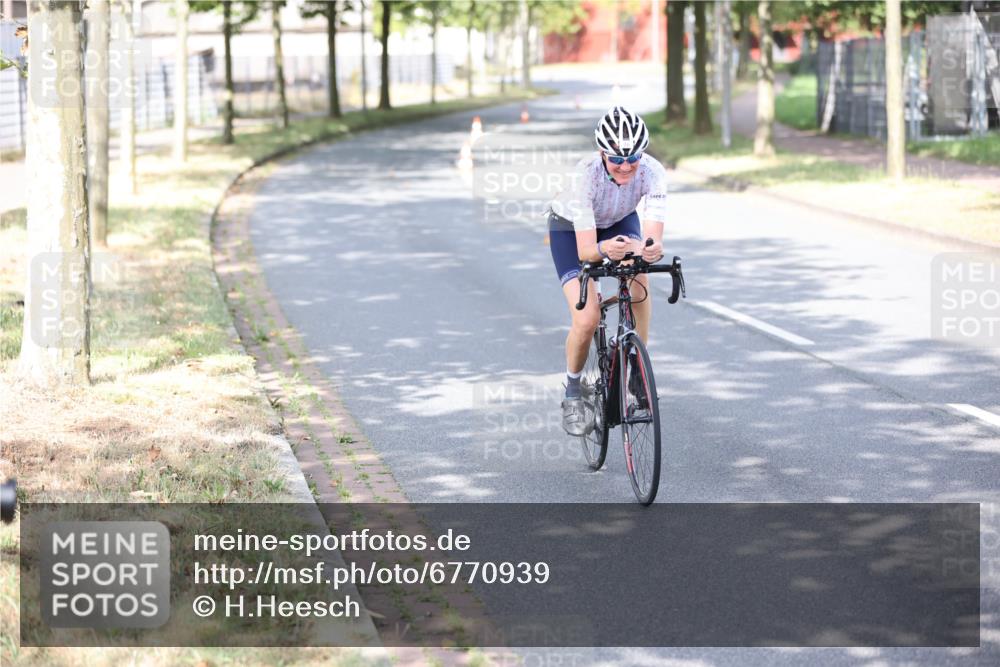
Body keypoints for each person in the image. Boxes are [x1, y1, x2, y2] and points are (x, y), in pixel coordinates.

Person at [546, 106, 667, 436]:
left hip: (618, 220)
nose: (626, 166)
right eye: (617, 159)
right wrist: (604, 250)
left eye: (634, 158)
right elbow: (587, 251)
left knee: (639, 276)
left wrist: (650, 248)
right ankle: (572, 390)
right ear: (602, 152)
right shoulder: (585, 176)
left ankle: (636, 369)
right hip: (572, 231)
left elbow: (653, 239)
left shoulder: (652, 172)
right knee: (586, 317)